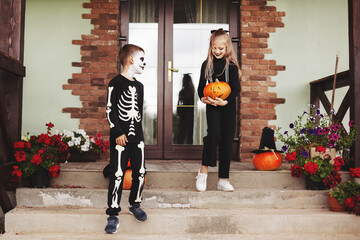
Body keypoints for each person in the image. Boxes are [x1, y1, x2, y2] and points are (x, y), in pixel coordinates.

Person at [103, 44, 147, 234]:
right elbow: (110, 110)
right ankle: (113, 214)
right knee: (118, 174)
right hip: (120, 138)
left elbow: (138, 113)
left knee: (140, 171)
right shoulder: (115, 83)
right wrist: (118, 133)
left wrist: (139, 136)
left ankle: (134, 204)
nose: (145, 64)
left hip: (137, 138)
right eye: (142, 59)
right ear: (131, 60)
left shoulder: (139, 86)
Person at [196, 29, 241, 192]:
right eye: (214, 48)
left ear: (227, 48)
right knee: (213, 135)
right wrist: (203, 98)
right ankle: (203, 173)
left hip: (227, 107)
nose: (217, 51)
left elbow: (235, 89)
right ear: (211, 47)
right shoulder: (207, 65)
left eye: (220, 49)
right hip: (212, 106)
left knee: (227, 140)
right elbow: (201, 88)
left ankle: (223, 179)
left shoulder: (232, 66)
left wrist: (226, 101)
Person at [175, 73, 195, 144]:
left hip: (183, 115)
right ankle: (190, 147)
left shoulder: (182, 92)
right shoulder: (193, 92)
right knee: (190, 134)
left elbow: (179, 104)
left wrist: (178, 113)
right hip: (191, 115)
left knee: (181, 133)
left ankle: (179, 147)